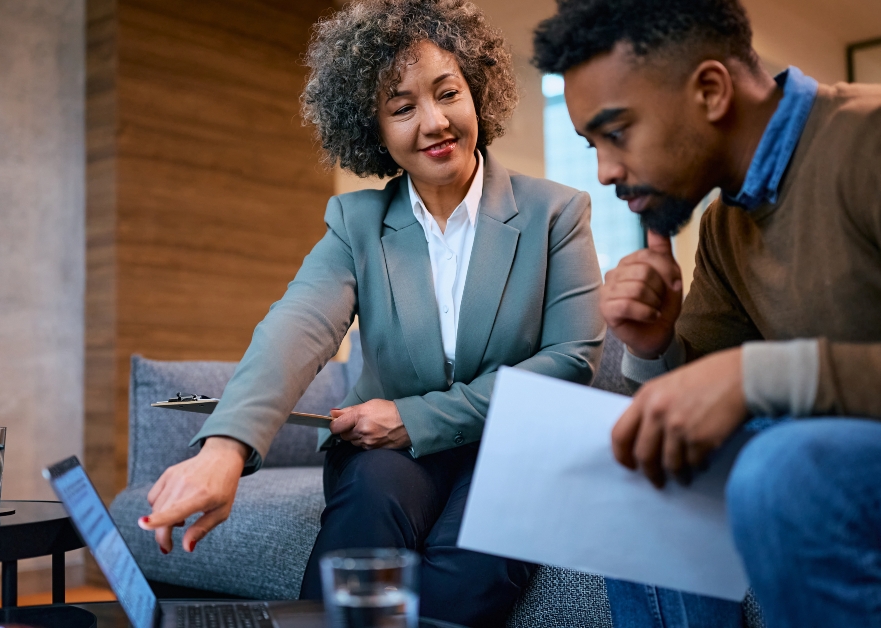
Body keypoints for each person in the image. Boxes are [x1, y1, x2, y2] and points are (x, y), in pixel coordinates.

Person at [139, 1, 606, 625]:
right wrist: (224, 449)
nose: (434, 122)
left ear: (478, 94)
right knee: (366, 506)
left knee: (463, 573)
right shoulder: (356, 222)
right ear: (374, 128)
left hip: (515, 445)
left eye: (448, 93)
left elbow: (571, 360)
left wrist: (415, 418)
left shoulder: (556, 212)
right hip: (391, 460)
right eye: (402, 107)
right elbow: (297, 326)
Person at [533, 0, 881, 626]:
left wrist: (762, 378)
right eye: (591, 143)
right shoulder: (726, 225)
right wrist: (654, 348)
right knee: (646, 457)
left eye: (617, 132)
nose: (604, 171)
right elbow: (705, 409)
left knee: (790, 475)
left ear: (710, 90)